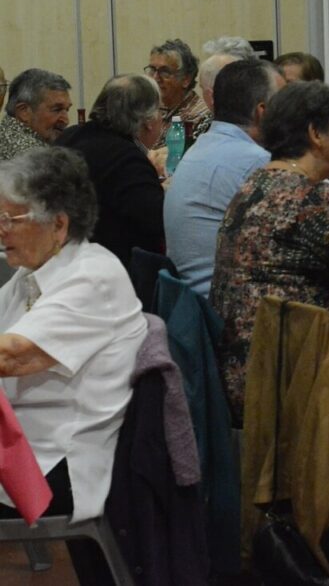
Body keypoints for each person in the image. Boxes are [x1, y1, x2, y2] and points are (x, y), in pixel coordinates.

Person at [0, 146, 148, 585]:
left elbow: (11, 355)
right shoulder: (34, 272)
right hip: (29, 441)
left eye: (12, 219)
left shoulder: (92, 276)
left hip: (58, 461)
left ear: (59, 224)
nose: (1, 230)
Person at [211, 82, 329, 425]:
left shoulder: (255, 184)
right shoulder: (314, 201)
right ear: (315, 134)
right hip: (288, 378)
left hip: (241, 369)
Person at [164, 59, 285, 297]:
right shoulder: (255, 161)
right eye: (284, 103)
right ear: (263, 112)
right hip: (227, 311)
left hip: (195, 308)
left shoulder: (202, 147)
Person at [56, 74, 165, 267]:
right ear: (148, 120)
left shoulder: (69, 136)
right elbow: (157, 225)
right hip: (111, 269)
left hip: (61, 256)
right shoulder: (128, 161)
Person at [146, 38, 210, 146]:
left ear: (186, 80)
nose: (155, 78)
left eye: (164, 72)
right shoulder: (148, 109)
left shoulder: (200, 117)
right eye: (152, 70)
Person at [0, 68, 72, 161]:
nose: (66, 120)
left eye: (67, 110)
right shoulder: (35, 161)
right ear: (24, 111)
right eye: (57, 109)